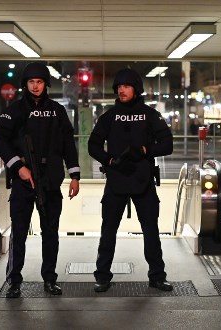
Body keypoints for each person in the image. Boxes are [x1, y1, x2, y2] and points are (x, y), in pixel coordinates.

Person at [0, 62, 80, 298]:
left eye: (39, 82)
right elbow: (0, 141)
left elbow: (68, 145)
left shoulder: (57, 111)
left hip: (50, 181)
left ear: (46, 84)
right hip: (23, 182)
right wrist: (18, 166)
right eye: (31, 82)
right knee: (19, 233)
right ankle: (13, 281)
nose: (35, 86)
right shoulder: (14, 111)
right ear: (25, 84)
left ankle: (50, 280)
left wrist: (75, 176)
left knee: (50, 233)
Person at [88, 68, 174, 292]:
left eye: (126, 86)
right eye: (118, 87)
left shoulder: (149, 114)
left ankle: (157, 276)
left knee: (151, 232)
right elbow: (93, 145)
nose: (121, 90)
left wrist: (145, 150)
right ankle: (102, 276)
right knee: (108, 231)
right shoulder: (109, 116)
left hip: (143, 180)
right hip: (116, 178)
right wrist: (111, 160)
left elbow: (168, 144)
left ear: (136, 89)